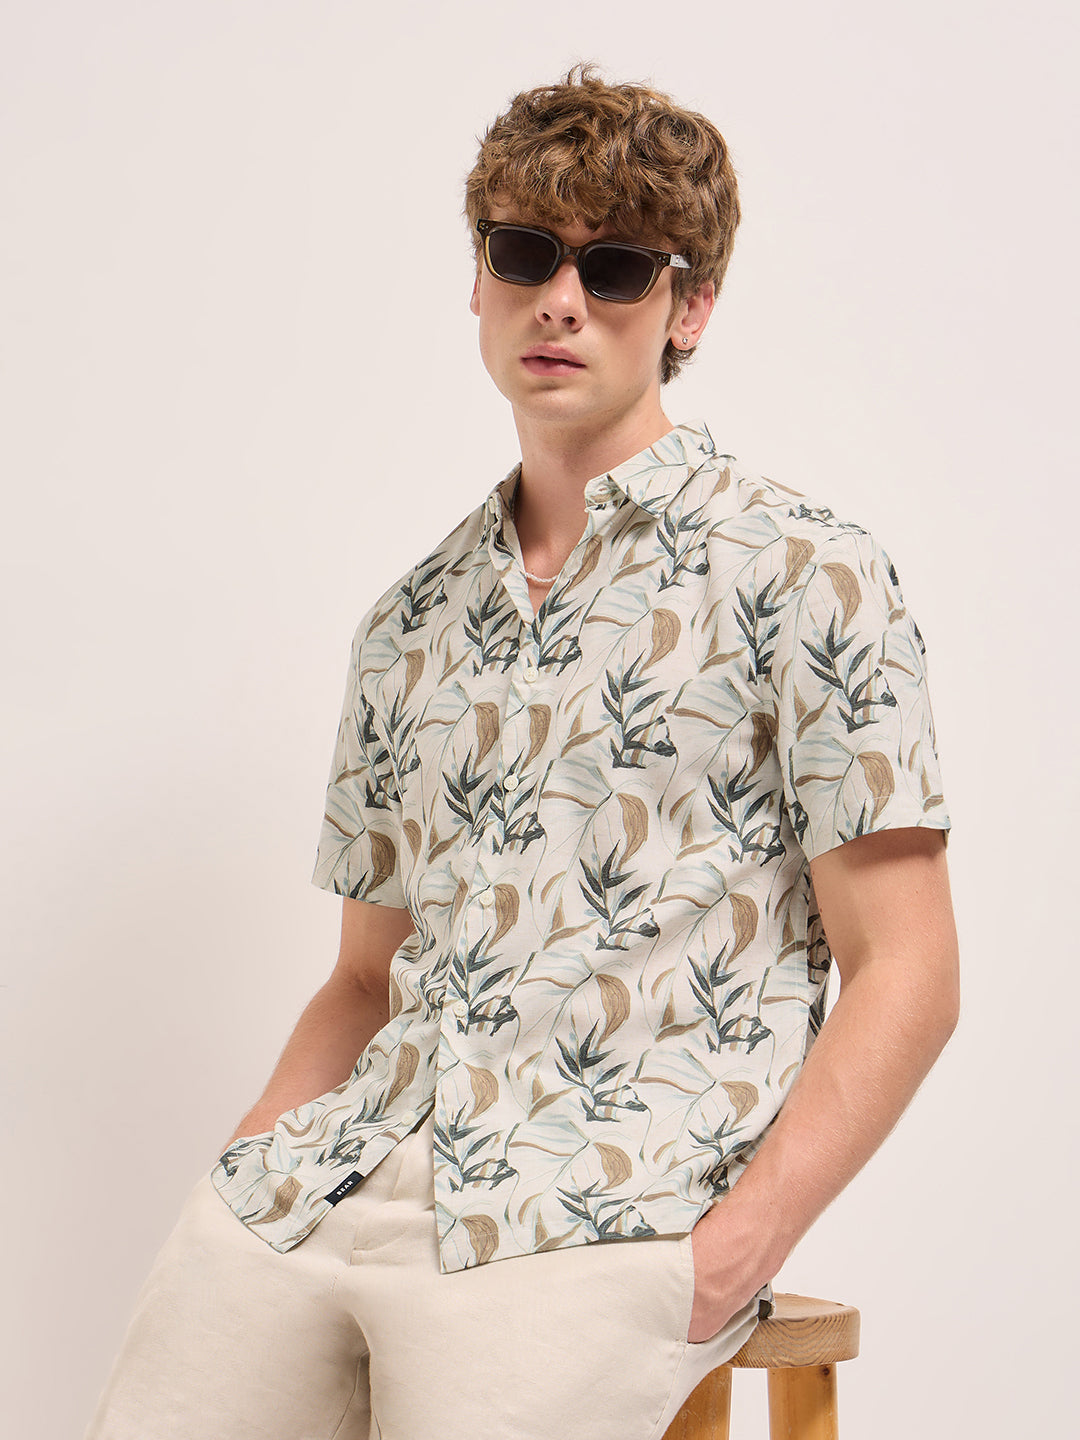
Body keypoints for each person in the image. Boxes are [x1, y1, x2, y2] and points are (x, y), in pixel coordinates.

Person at [85, 64, 960, 1440]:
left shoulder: (807, 575)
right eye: (526, 253)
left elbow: (908, 970)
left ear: (689, 309)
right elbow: (363, 979)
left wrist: (726, 1258)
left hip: (603, 1214)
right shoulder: (408, 624)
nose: (562, 300)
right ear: (480, 281)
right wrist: (247, 1172)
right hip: (340, 1180)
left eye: (616, 269)